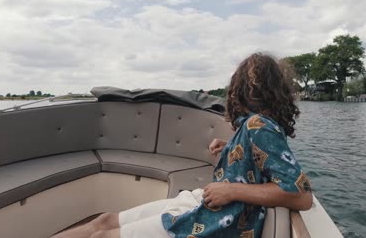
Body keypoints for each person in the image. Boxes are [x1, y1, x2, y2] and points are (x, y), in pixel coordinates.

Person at [52, 53, 312, 238]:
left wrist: (231, 190)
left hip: (215, 222)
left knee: (102, 233)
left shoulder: (259, 125)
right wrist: (231, 149)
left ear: (244, 87)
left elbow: (301, 196)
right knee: (104, 220)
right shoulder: (253, 125)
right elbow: (260, 169)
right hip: (206, 205)